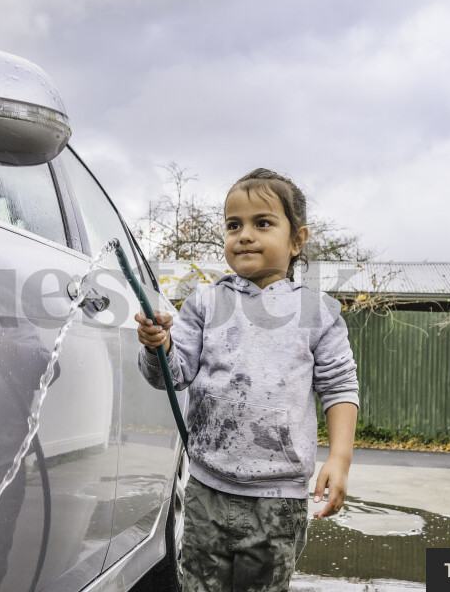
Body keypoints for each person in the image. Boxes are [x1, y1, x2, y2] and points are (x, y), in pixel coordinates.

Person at [135, 168, 359, 592]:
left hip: (277, 501)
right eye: (234, 225)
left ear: (298, 240)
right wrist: (157, 345)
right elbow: (171, 374)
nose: (245, 235)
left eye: (263, 223)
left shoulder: (319, 313)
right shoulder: (204, 302)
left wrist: (340, 458)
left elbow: (339, 387)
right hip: (206, 488)